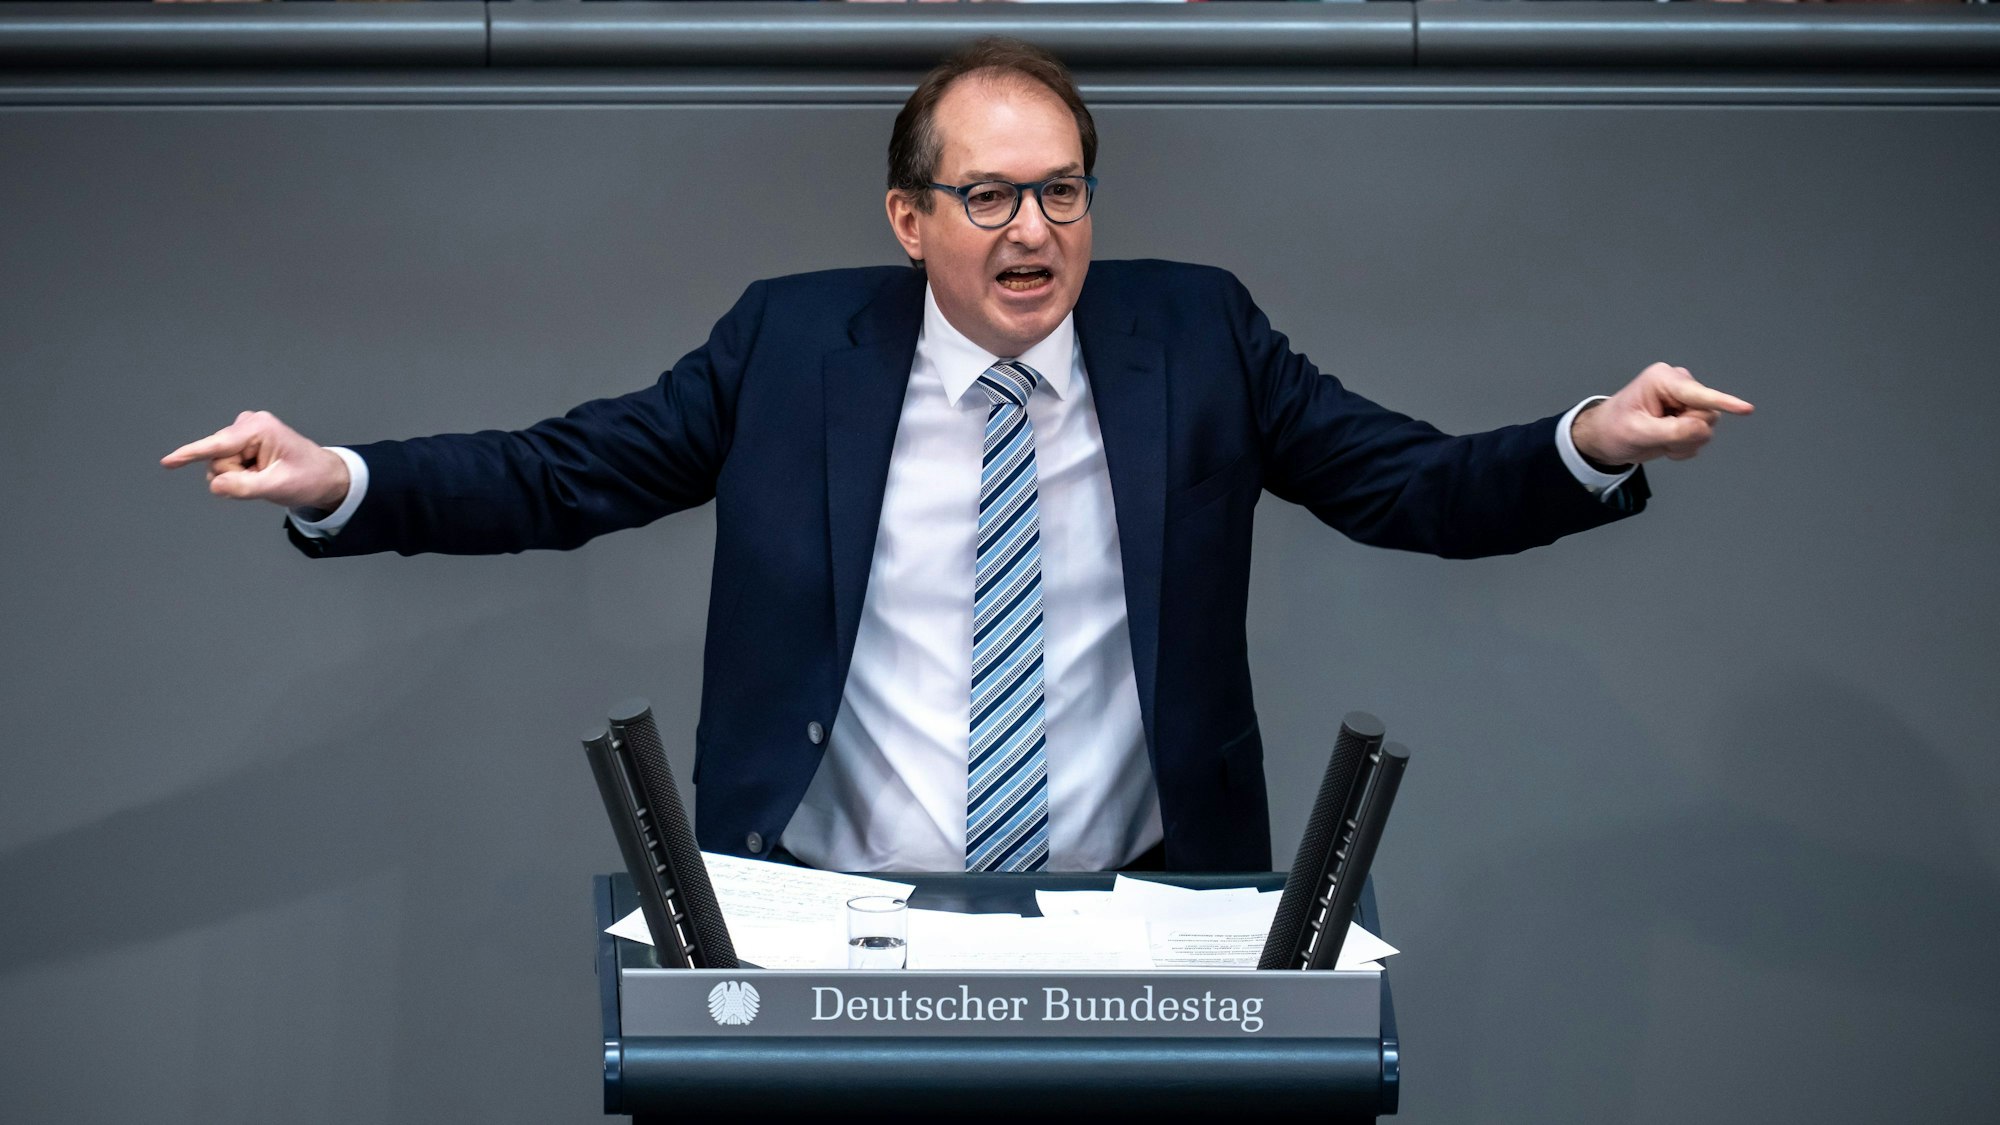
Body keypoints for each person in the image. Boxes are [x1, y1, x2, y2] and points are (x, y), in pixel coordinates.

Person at [162, 37, 1751, 875]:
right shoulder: (789, 346)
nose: (1034, 230)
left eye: (1062, 190)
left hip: (1141, 917)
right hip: (829, 915)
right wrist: (339, 479)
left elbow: (1408, 484)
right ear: (908, 219)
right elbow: (567, 471)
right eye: (988, 195)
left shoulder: (1198, 337)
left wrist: (1589, 441)